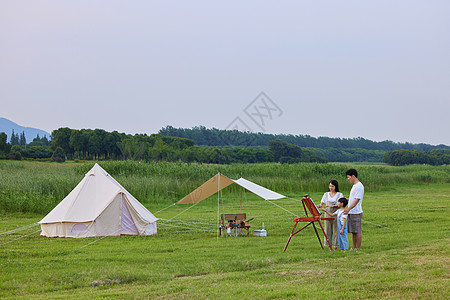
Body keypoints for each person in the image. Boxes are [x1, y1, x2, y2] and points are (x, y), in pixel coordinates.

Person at [317, 180, 343, 250]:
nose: (331, 188)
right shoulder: (326, 194)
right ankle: (329, 246)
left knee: (336, 231)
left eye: (332, 186)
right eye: (330, 186)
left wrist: (337, 206)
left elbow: (341, 205)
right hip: (327, 214)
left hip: (336, 214)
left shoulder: (339, 194)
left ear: (335, 186)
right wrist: (318, 206)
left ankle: (336, 246)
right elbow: (322, 204)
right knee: (327, 230)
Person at [344, 168, 364, 250]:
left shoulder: (359, 186)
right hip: (352, 212)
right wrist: (347, 199)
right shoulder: (354, 186)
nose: (348, 179)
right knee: (353, 231)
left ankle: (358, 248)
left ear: (353, 176)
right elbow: (353, 198)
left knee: (357, 231)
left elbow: (357, 200)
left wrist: (348, 209)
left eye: (349, 177)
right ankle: (353, 247)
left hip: (356, 212)